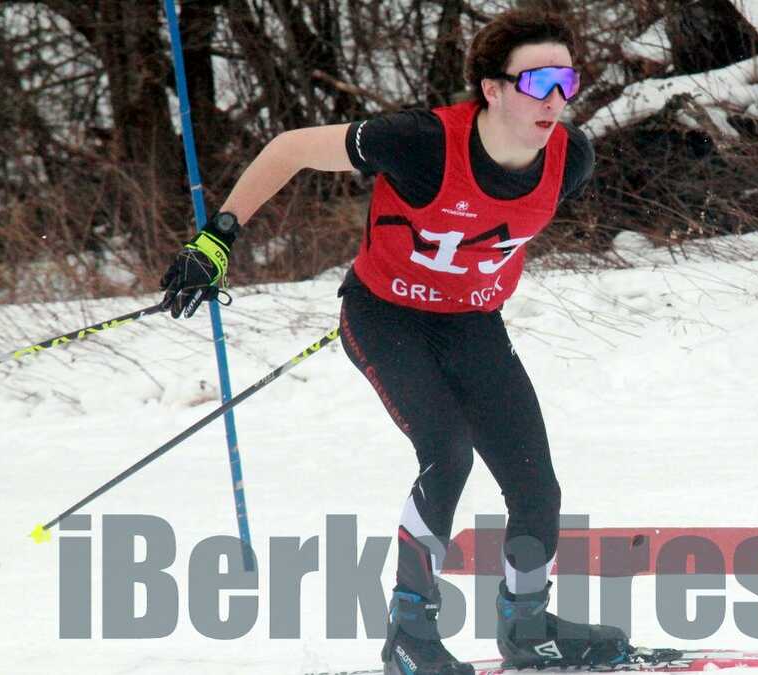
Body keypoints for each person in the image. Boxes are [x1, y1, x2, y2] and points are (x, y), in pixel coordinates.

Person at [158, 9, 632, 675]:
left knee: (535, 483)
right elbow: (290, 148)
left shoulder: (571, 158)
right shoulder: (421, 142)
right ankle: (409, 633)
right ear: (492, 89)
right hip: (385, 316)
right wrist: (218, 238)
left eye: (567, 82)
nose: (555, 99)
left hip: (472, 322)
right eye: (537, 82)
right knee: (448, 454)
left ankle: (528, 625)